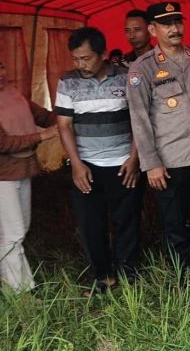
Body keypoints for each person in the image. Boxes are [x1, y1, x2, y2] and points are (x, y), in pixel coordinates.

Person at [127, 2, 190, 274]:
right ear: (152, 29)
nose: (174, 29)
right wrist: (151, 163)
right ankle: (185, 273)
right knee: (176, 221)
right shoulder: (142, 68)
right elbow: (139, 118)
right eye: (167, 24)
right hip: (170, 161)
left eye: (178, 22)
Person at [55, 27, 144, 293]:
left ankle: (128, 276)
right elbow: (64, 126)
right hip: (87, 167)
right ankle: (104, 277)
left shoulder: (126, 78)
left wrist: (134, 158)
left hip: (123, 164)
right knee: (91, 224)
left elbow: (139, 121)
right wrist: (77, 165)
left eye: (86, 58)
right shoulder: (67, 82)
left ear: (103, 54)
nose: (80, 64)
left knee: (127, 222)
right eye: (75, 59)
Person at [0, 60, 58, 292]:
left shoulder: (14, 94)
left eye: (1, 67)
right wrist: (42, 137)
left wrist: (69, 117)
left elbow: (43, 116)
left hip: (23, 169)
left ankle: (8, 281)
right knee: (13, 233)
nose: (0, 74)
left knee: (19, 229)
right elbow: (3, 143)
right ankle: (21, 291)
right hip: (3, 175)